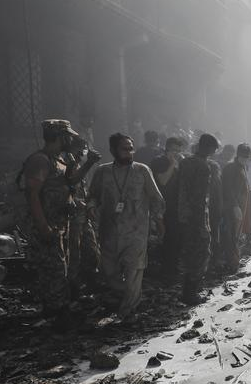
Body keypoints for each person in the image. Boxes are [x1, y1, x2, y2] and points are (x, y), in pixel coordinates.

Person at [88, 133, 164, 323]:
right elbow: (93, 195)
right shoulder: (102, 172)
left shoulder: (142, 170)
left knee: (134, 271)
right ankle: (127, 295)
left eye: (131, 148)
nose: (130, 152)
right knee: (109, 272)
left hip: (137, 232)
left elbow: (156, 198)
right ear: (113, 150)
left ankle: (128, 311)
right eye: (124, 148)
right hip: (109, 232)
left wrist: (160, 222)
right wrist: (90, 207)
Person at [22, 120, 78, 327]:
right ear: (59, 137)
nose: (71, 139)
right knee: (52, 268)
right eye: (68, 136)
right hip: (47, 225)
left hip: (60, 223)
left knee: (59, 266)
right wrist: (43, 226)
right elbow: (32, 194)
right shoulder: (40, 160)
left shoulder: (59, 160)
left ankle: (56, 309)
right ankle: (57, 313)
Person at [177, 133, 222, 305]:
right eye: (214, 149)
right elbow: (200, 197)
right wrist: (203, 223)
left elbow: (182, 191)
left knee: (190, 254)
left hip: (185, 216)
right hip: (197, 217)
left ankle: (187, 292)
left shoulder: (186, 162)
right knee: (202, 254)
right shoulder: (204, 166)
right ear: (209, 148)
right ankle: (191, 294)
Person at [65, 136, 102, 295]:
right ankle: (73, 286)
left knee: (92, 250)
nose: (81, 153)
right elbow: (69, 186)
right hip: (72, 218)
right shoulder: (65, 165)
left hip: (83, 217)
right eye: (78, 149)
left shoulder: (78, 165)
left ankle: (91, 281)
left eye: (83, 150)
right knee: (74, 253)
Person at [150, 136, 187, 279]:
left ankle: (173, 268)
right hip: (162, 205)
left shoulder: (181, 162)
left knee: (177, 237)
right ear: (167, 149)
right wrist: (172, 164)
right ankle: (167, 270)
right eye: (174, 150)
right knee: (166, 237)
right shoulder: (159, 161)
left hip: (177, 205)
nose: (177, 153)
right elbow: (163, 181)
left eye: (179, 150)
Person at [221, 144, 249, 272]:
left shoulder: (242, 167)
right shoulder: (230, 168)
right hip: (232, 207)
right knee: (230, 234)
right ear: (238, 155)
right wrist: (235, 206)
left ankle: (234, 261)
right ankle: (231, 263)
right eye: (243, 156)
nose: (245, 159)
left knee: (235, 235)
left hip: (241, 206)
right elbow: (228, 189)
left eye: (247, 157)